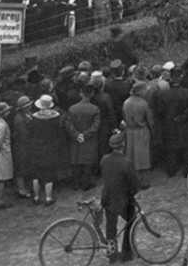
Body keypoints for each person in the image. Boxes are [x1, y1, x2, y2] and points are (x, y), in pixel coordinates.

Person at [100, 132, 139, 264]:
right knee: (130, 221)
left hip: (107, 197)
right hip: (122, 199)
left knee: (111, 227)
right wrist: (132, 193)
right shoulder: (126, 162)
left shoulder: (104, 159)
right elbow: (134, 184)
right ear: (123, 145)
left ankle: (112, 254)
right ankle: (126, 253)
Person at [27, 94, 62, 205]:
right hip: (50, 148)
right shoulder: (56, 117)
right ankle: (48, 198)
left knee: (35, 174)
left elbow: (30, 133)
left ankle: (36, 197)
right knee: (49, 174)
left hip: (36, 147)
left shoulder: (33, 117)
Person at [66, 84, 101, 192]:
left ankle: (76, 183)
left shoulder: (72, 108)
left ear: (81, 93)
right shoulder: (94, 109)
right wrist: (85, 135)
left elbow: (68, 124)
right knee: (88, 161)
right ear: (92, 94)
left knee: (76, 160)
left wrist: (77, 135)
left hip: (76, 139)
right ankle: (86, 183)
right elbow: (96, 126)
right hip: (89, 139)